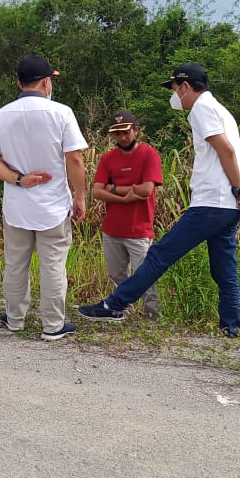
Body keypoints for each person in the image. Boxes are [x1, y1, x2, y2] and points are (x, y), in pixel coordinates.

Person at [78, 63, 240, 336]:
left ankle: (114, 305)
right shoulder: (223, 112)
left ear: (185, 87)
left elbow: (226, 150)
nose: (174, 95)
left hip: (210, 203)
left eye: (174, 88)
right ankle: (230, 328)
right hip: (227, 207)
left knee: (161, 254)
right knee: (225, 269)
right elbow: (239, 156)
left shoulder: (201, 109)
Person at [0, 55, 88, 341]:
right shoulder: (62, 113)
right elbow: (75, 159)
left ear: (19, 83)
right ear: (46, 82)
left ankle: (15, 319)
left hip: (17, 205)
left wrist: (19, 179)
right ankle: (52, 325)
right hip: (53, 205)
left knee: (16, 262)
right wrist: (80, 196)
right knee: (52, 264)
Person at [92, 110, 164, 320]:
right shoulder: (107, 158)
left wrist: (113, 189)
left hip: (139, 228)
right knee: (117, 275)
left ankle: (152, 317)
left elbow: (146, 191)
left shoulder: (149, 154)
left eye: (126, 132)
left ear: (135, 130)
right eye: (117, 134)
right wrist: (126, 194)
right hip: (112, 228)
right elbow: (97, 191)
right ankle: (121, 311)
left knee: (145, 277)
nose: (122, 138)